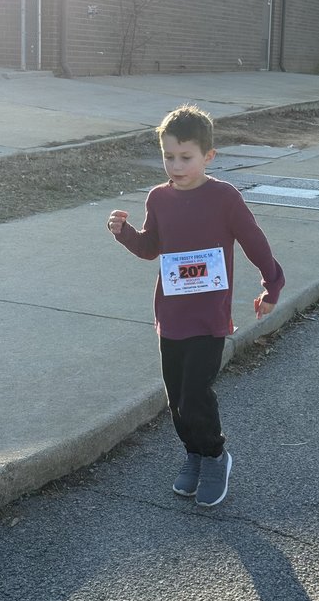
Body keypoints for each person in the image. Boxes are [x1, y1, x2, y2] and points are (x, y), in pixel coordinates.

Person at [107, 104, 285, 507]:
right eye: (168, 156)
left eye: (185, 157)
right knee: (176, 398)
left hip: (208, 317)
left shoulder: (224, 198)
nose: (175, 165)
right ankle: (193, 452)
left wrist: (272, 284)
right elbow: (152, 248)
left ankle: (215, 455)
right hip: (170, 315)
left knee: (195, 394)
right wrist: (125, 233)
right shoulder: (159, 198)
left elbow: (255, 242)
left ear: (208, 156)